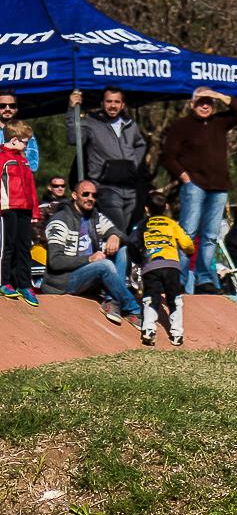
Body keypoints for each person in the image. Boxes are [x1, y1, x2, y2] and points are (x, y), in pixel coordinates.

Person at [159, 86, 237, 294]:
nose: (205, 105)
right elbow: (167, 156)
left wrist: (218, 94)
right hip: (195, 187)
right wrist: (185, 178)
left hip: (219, 187)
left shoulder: (219, 122)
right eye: (201, 102)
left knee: (210, 236)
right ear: (192, 104)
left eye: (209, 102)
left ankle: (204, 280)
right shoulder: (182, 126)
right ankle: (180, 279)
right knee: (187, 233)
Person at [42, 180, 142, 328]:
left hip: (89, 275)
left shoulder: (94, 216)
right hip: (65, 280)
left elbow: (119, 233)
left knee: (122, 250)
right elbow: (55, 262)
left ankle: (112, 302)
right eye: (86, 194)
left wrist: (115, 236)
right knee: (105, 265)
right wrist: (89, 259)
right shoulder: (60, 221)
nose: (90, 198)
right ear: (75, 196)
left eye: (94, 195)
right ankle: (134, 309)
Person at [67, 87, 147, 232]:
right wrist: (72, 109)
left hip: (129, 188)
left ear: (123, 105)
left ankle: (114, 254)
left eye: (117, 102)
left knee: (124, 230)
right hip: (105, 187)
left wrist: (133, 164)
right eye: (109, 101)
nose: (113, 105)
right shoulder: (91, 122)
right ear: (102, 103)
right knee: (117, 230)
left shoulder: (130, 124)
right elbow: (74, 139)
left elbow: (140, 144)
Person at [131, 193, 194, 346]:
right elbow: (186, 243)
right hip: (171, 266)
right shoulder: (172, 223)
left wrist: (139, 260)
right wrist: (189, 251)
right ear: (166, 207)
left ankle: (148, 330)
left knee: (151, 298)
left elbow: (132, 242)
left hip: (151, 266)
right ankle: (177, 334)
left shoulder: (142, 224)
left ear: (146, 209)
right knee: (175, 299)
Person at [0, 121, 39, 306]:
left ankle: (24, 284)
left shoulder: (24, 160)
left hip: (25, 208)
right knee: (8, 246)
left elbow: (31, 187)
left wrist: (35, 211)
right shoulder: (2, 158)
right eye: (25, 141)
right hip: (7, 208)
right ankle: (4, 282)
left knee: (24, 247)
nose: (27, 145)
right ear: (14, 140)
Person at [0, 89, 39, 172]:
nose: (7, 109)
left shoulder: (26, 132)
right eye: (2, 106)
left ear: (16, 109)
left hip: (18, 182)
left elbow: (33, 166)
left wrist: (20, 152)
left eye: (12, 106)